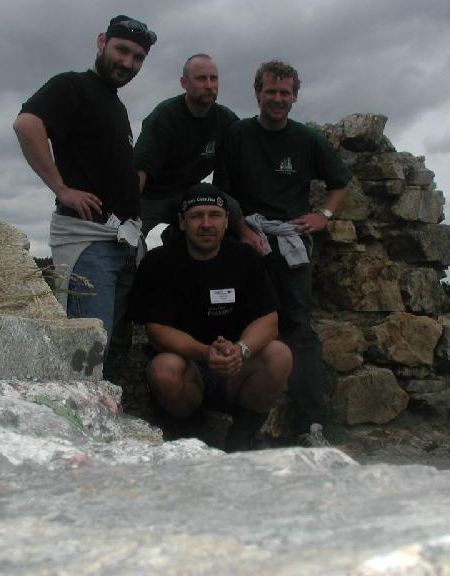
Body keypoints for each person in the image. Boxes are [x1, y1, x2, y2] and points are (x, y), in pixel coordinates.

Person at [214, 60, 352, 447]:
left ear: (295, 97)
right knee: (239, 323)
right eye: (271, 91)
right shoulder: (237, 135)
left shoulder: (306, 139)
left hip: (290, 243)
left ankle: (310, 426)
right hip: (245, 242)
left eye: (285, 92)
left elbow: (340, 180)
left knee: (298, 329)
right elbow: (223, 191)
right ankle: (240, 424)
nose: (278, 99)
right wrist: (242, 231)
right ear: (258, 93)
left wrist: (324, 215)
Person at [13, 15, 156, 354]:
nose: (128, 63)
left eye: (137, 57)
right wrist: (61, 189)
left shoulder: (115, 105)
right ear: (101, 41)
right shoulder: (72, 86)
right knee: (87, 353)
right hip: (89, 245)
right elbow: (27, 124)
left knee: (108, 351)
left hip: (120, 244)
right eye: (122, 50)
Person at [129, 183, 292, 450]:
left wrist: (240, 350)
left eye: (214, 215)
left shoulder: (245, 258)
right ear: (182, 222)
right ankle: (192, 430)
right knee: (163, 370)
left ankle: (243, 435)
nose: (206, 224)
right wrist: (206, 353)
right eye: (197, 216)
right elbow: (156, 330)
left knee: (279, 355)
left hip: (237, 364)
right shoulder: (160, 262)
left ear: (226, 221)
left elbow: (269, 320)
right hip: (190, 367)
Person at [134, 54, 239, 238]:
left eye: (213, 78)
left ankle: (181, 241)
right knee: (128, 236)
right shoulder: (165, 116)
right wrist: (129, 211)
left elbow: (234, 170)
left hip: (190, 192)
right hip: (151, 196)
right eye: (201, 78)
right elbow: (139, 169)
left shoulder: (226, 120)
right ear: (184, 83)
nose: (209, 85)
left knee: (234, 210)